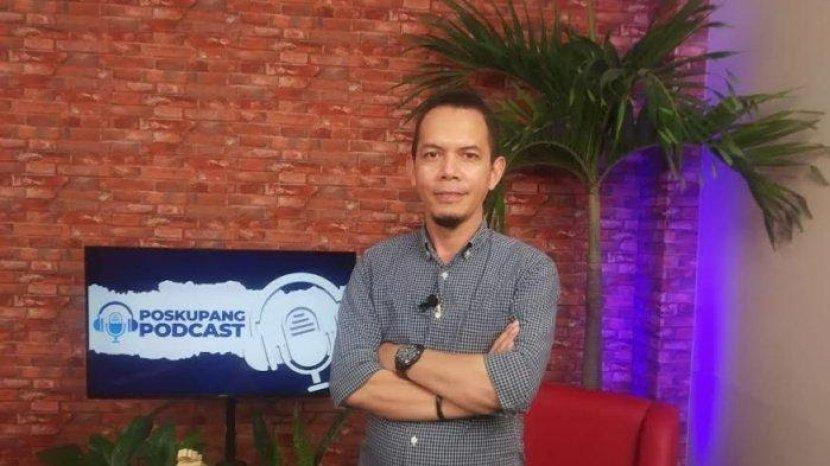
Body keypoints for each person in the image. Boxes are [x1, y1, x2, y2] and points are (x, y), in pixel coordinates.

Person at [329, 89, 560, 465]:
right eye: (433, 154)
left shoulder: (530, 271)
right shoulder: (375, 265)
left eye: (468, 155)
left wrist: (397, 355)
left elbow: (516, 387)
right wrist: (469, 396)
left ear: (494, 172)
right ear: (412, 169)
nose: (448, 171)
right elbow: (350, 380)